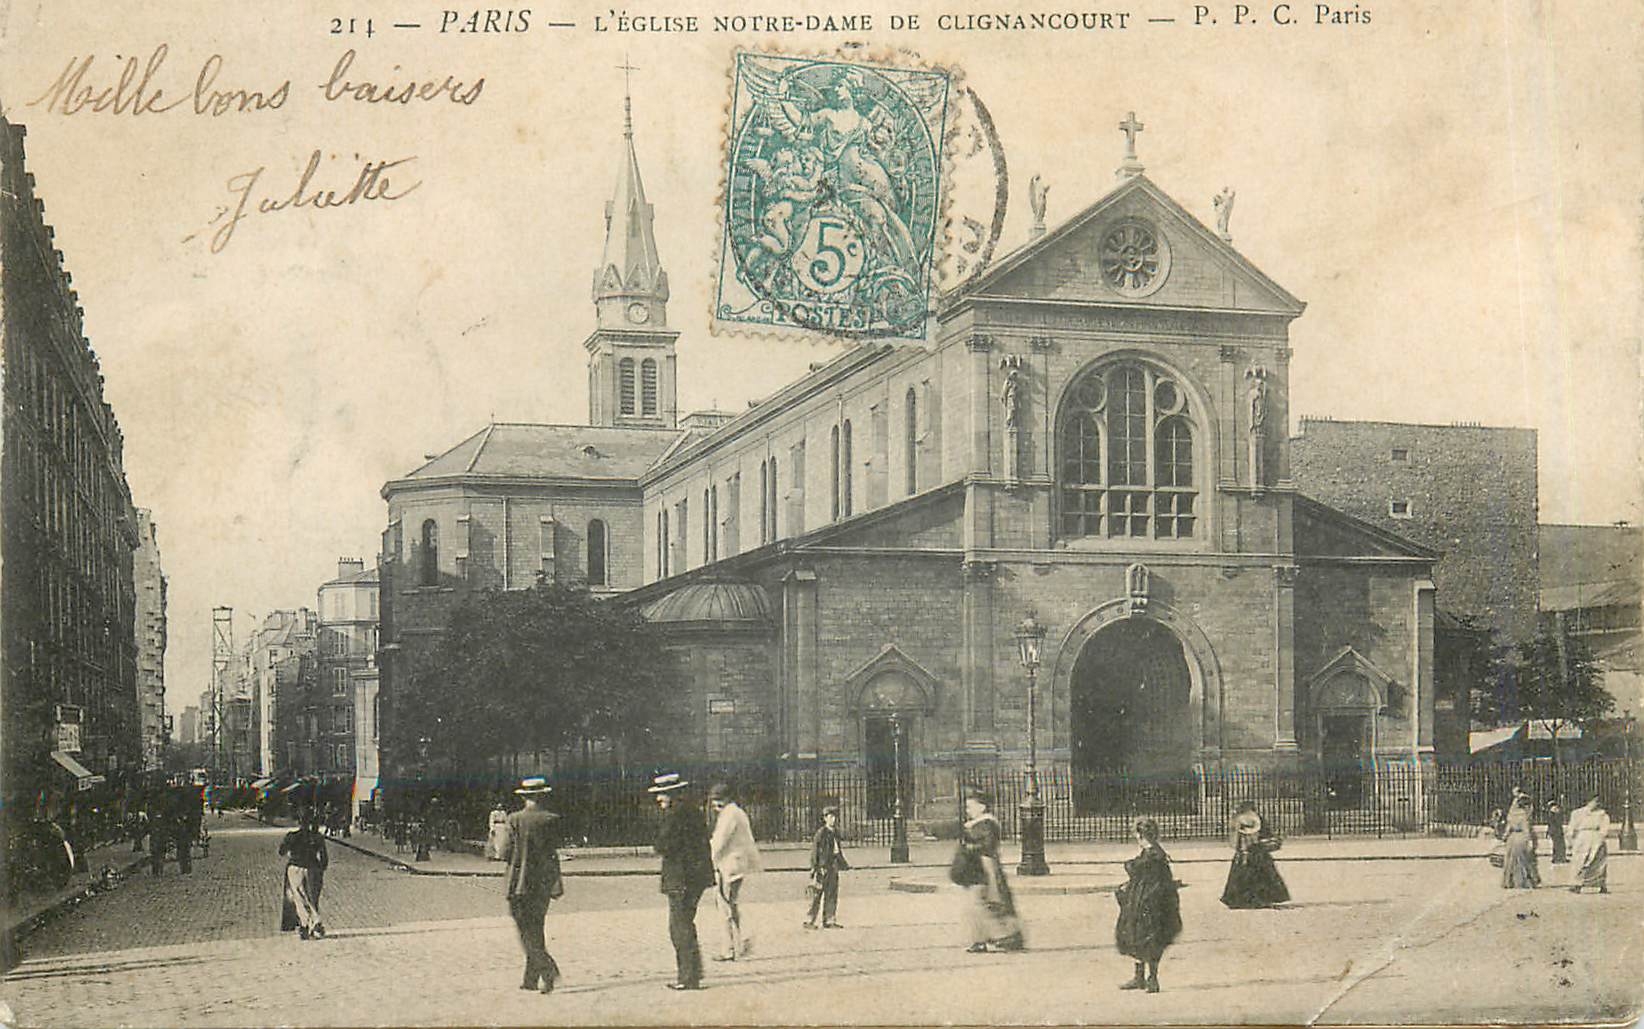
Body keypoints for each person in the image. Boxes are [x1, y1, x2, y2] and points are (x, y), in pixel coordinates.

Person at [651, 772, 714, 991]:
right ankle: (693, 973)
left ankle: (687, 977)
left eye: (662, 794)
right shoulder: (693, 811)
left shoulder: (674, 814)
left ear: (673, 795)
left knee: (678, 927)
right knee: (686, 923)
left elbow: (662, 845)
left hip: (681, 878)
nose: (659, 799)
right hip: (696, 877)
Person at [502, 777, 563, 993]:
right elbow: (554, 850)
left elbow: (503, 852)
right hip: (543, 882)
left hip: (519, 883)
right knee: (536, 928)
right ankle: (530, 979)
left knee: (525, 931)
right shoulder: (552, 819)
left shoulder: (514, 820)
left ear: (524, 797)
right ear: (542, 795)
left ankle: (548, 970)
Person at [1114, 818, 1182, 994]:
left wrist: (1130, 868)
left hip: (1149, 902)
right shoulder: (1154, 851)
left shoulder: (1153, 854)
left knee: (1147, 938)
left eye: (1137, 834)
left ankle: (1151, 978)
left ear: (1141, 835)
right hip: (1148, 900)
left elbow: (1136, 868)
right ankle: (1141, 977)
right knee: (1138, 936)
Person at [955, 789, 1025, 953]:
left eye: (970, 806)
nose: (968, 810)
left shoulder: (987, 823)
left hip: (986, 868)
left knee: (988, 904)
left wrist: (969, 847)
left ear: (982, 806)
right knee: (981, 905)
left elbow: (988, 846)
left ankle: (1006, 936)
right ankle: (989, 938)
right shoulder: (978, 823)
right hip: (977, 867)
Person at [708, 783, 763, 961]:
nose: (714, 805)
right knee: (731, 905)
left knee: (725, 907)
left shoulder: (729, 815)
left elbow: (719, 841)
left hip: (729, 866)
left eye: (716, 800)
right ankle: (739, 945)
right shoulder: (737, 812)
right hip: (737, 864)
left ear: (723, 800)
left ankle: (731, 948)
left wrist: (707, 859)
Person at [1220, 801, 1289, 908]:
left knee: (1246, 876)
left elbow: (1235, 840)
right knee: (1259, 876)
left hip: (1248, 853)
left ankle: (1243, 899)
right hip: (1254, 853)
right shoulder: (1254, 819)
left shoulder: (1244, 819)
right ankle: (1257, 899)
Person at [279, 810, 329, 940]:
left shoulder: (292, 836)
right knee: (313, 898)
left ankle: (305, 924)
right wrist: (321, 869)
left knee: (299, 897)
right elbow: (324, 857)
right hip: (313, 868)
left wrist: (290, 851)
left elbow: (281, 851)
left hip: (295, 867)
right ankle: (315, 923)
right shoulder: (317, 837)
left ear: (299, 822)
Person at [803, 806, 850, 930]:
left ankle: (829, 920)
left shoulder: (835, 833)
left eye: (834, 817)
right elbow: (815, 852)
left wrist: (844, 864)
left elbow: (837, 850)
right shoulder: (821, 833)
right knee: (816, 895)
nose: (833, 820)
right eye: (830, 817)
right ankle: (809, 920)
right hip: (823, 868)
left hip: (833, 867)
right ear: (825, 819)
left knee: (832, 894)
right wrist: (815, 867)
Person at [1567, 794, 1611, 894]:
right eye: (1594, 801)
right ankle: (1577, 884)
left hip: (1596, 837)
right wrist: (1570, 840)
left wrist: (1601, 837)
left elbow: (1604, 828)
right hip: (1582, 838)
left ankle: (1600, 884)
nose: (1596, 803)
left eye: (1597, 801)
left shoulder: (1602, 814)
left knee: (1597, 862)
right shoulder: (1577, 813)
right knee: (1580, 861)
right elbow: (1572, 827)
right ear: (1588, 801)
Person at [1500, 793, 1540, 889]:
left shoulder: (1512, 815)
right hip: (1521, 838)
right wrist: (1531, 841)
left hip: (1512, 838)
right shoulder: (1524, 816)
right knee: (1524, 860)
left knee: (1511, 860)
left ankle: (1509, 881)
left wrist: (1504, 837)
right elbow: (1526, 830)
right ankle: (1524, 881)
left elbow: (1508, 829)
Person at [1545, 800, 1568, 864]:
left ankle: (1558, 858)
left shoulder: (1551, 813)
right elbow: (1558, 822)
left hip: (1554, 830)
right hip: (1556, 830)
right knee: (1559, 844)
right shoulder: (1554, 813)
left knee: (1557, 844)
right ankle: (1559, 858)